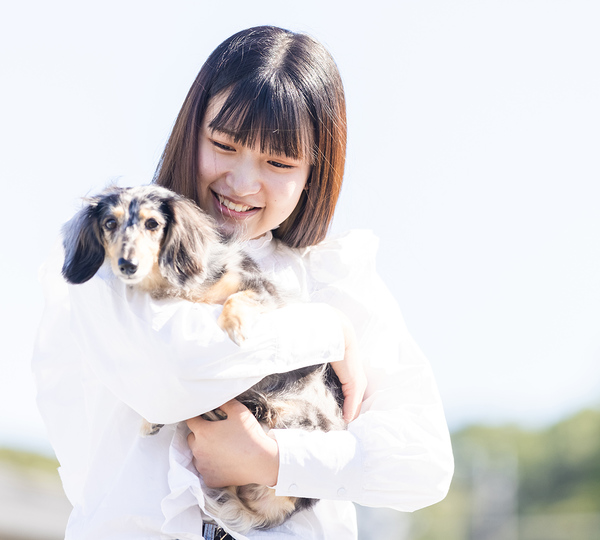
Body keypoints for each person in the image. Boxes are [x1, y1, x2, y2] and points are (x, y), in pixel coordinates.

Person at [32, 25, 454, 540]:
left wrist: (276, 459)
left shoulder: (333, 273)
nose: (243, 182)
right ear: (192, 128)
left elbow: (423, 462)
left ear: (313, 173)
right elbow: (173, 375)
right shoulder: (117, 238)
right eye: (225, 144)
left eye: (279, 162)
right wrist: (326, 331)